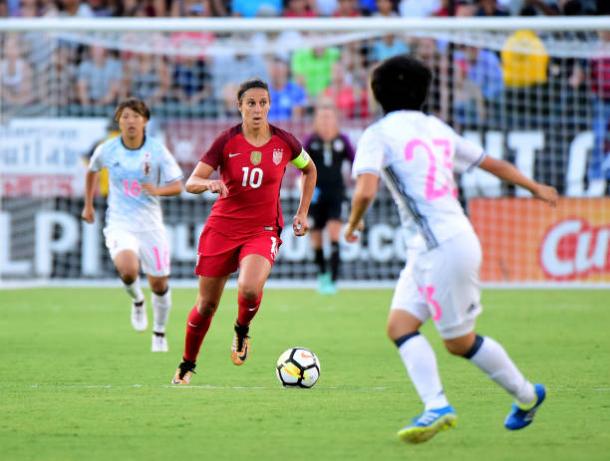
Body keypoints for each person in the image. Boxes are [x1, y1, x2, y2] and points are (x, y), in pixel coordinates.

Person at [344, 55, 558, 443]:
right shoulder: (436, 128)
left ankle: (527, 395)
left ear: (378, 93)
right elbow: (493, 164)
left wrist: (354, 224)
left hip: (441, 246)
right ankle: (436, 405)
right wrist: (536, 188)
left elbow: (366, 189)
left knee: (458, 342)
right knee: (400, 326)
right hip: (435, 244)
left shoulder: (376, 134)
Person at [171, 79, 317, 385]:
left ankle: (241, 331)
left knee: (249, 288)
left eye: (263, 103)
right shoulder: (226, 141)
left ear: (269, 106)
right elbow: (191, 182)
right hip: (222, 228)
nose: (257, 109)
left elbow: (309, 169)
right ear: (239, 107)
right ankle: (187, 364)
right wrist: (209, 183)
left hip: (263, 230)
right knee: (206, 305)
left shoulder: (284, 142)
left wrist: (302, 212)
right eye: (251, 103)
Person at [81, 98, 184, 352]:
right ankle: (138, 300)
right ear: (119, 121)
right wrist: (88, 205)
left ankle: (159, 333)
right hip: (120, 223)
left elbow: (178, 185)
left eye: (135, 116)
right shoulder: (107, 149)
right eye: (125, 116)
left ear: (145, 121)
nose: (130, 121)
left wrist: (157, 190)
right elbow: (92, 171)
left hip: (150, 227)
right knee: (128, 270)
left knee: (159, 285)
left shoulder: (158, 150)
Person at [304, 99, 354, 294]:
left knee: (334, 234)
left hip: (336, 193)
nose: (325, 121)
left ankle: (333, 280)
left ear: (335, 120)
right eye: (322, 117)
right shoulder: (311, 140)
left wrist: (357, 182)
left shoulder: (343, 140)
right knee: (315, 237)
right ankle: (322, 274)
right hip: (315, 194)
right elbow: (301, 166)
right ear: (316, 120)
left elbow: (355, 162)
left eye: (329, 117)